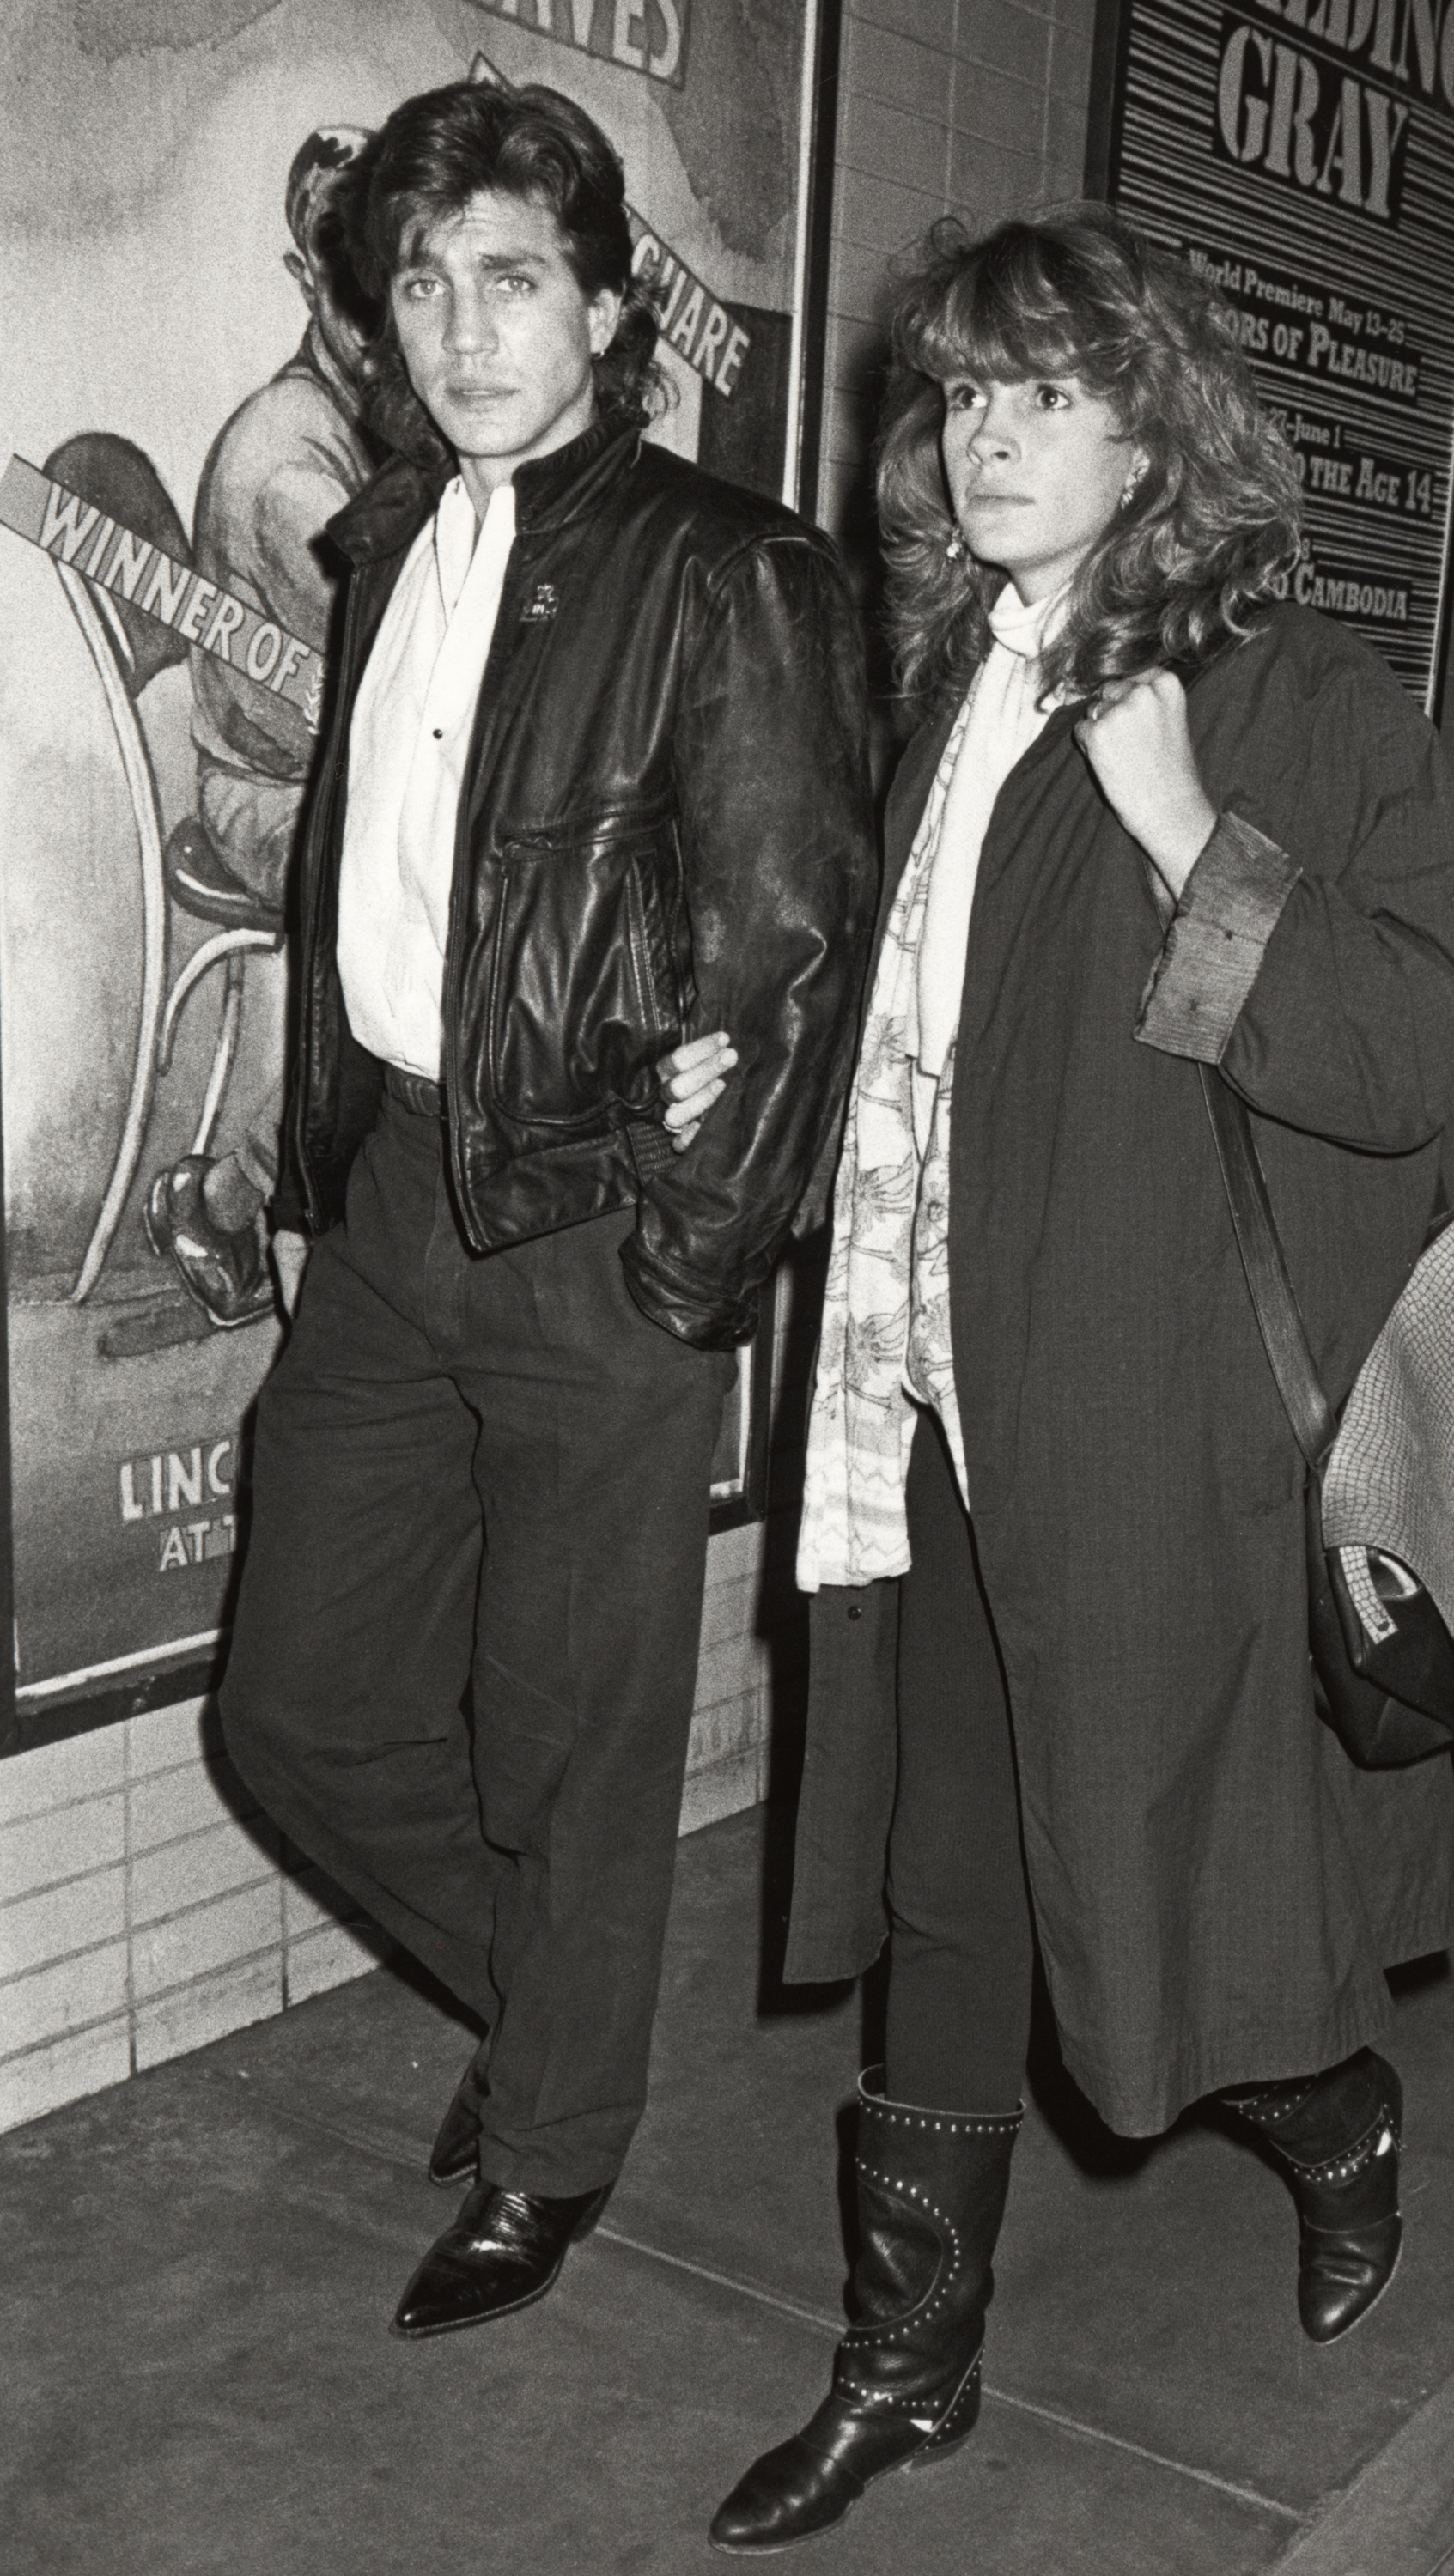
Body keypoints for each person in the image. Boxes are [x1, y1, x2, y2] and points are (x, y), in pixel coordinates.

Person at [695, 208, 1454, 2554]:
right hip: (933, 1412)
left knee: (1165, 1908)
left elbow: (1401, 1045)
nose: (989, 436)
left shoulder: (1289, 698)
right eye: (962, 394)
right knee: (957, 1896)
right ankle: (900, 2369)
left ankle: (1329, 2112)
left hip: (1160, 1440)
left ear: (1157, 424)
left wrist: (1180, 831)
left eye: (1047, 391)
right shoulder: (939, 681)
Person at [217, 80, 873, 2342]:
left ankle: (555, 2145)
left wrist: (678, 1259)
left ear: (605, 302)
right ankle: (555, 2010)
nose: (462, 324)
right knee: (294, 1702)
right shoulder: (391, 534)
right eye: (421, 282)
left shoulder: (726, 568)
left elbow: (789, 961)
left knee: (567, 1728)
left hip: (599, 1221)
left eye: (510, 276)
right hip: (406, 1184)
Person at [144, 125, 380, 1330]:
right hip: (268, 798)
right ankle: (232, 1203)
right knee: (415, 923)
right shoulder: (293, 467)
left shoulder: (361, 419)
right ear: (304, 280)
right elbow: (405, 688)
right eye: (351, 277)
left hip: (326, 778)